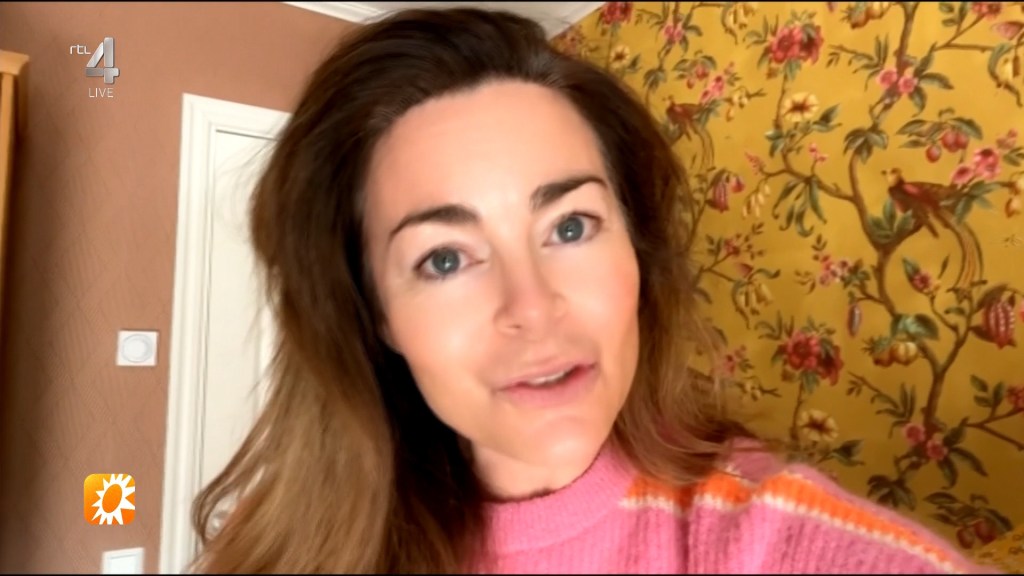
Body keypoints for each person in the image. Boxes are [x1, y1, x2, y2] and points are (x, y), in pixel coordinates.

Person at [188, 7, 997, 574]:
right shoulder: (282, 549)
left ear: (636, 249)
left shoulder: (759, 539)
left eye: (570, 226)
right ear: (376, 316)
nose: (534, 308)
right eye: (444, 260)